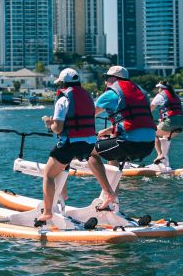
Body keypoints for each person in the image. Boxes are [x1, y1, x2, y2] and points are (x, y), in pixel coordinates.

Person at [37, 68, 103, 223]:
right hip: (88, 144)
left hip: (71, 143)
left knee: (48, 174)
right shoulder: (88, 97)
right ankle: (63, 195)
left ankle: (47, 212)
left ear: (62, 83)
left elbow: (58, 129)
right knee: (62, 162)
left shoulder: (63, 99)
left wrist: (49, 124)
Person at [88, 66, 157, 209]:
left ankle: (109, 194)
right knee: (112, 157)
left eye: (106, 78)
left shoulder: (112, 93)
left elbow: (87, 116)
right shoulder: (139, 92)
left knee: (91, 153)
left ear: (113, 79)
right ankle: (114, 202)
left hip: (129, 143)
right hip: (149, 145)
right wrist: (108, 130)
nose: (105, 82)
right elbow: (133, 118)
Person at [151, 80, 183, 166]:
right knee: (166, 136)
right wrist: (162, 120)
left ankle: (160, 155)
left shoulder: (161, 95)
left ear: (161, 88)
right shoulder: (175, 96)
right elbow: (173, 111)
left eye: (159, 88)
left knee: (154, 134)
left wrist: (146, 116)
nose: (158, 90)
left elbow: (152, 106)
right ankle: (165, 162)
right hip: (182, 122)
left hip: (170, 121)